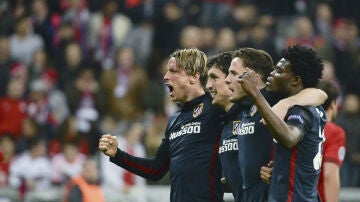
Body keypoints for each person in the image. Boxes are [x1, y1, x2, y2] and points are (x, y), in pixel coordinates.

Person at [99, 48, 224, 202]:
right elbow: (156, 169)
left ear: (193, 77)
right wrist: (117, 155)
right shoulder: (174, 120)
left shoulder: (215, 108)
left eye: (173, 71)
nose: (166, 77)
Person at [224, 47, 327, 201]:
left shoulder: (301, 110)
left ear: (296, 80)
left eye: (279, 70)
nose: (272, 73)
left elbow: (289, 137)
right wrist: (279, 167)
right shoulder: (296, 106)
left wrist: (256, 93)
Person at [260, 79, 346, 202]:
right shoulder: (335, 132)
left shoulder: (286, 122)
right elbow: (329, 175)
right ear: (333, 104)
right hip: (310, 196)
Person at [206, 51, 244, 201]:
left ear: (230, 79)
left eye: (214, 77)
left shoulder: (254, 111)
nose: (208, 85)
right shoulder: (222, 121)